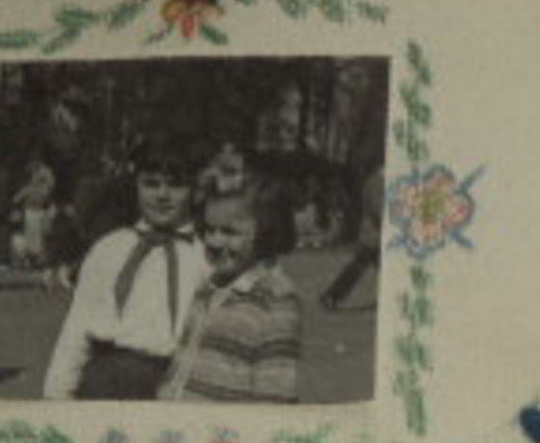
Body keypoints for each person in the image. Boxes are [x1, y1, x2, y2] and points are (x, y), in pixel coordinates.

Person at [41, 135, 208, 399]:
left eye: (175, 185)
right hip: (105, 380)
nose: (162, 195)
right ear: (136, 186)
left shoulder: (205, 256)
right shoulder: (109, 248)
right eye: (151, 184)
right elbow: (77, 326)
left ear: (194, 190)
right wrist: (56, 395)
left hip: (174, 382)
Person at [162, 173, 304, 403]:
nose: (214, 242)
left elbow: (276, 395)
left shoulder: (276, 300)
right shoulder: (208, 287)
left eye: (229, 232)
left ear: (265, 233)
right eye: (209, 230)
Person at [318, 162, 385, 310]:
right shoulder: (377, 182)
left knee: (369, 268)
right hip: (374, 234)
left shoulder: (374, 180)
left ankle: (332, 296)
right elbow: (378, 209)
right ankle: (331, 296)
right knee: (357, 268)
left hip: (374, 233)